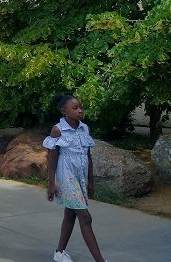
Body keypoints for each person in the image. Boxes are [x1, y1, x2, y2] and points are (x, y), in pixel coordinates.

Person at [43, 92, 108, 262]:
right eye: (75, 108)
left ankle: (59, 253)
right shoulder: (58, 130)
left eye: (80, 107)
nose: (80, 110)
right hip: (66, 177)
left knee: (70, 215)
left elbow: (88, 156)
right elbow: (52, 157)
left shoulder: (84, 128)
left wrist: (91, 181)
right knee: (85, 217)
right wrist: (52, 184)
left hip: (81, 178)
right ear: (64, 111)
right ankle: (100, 260)